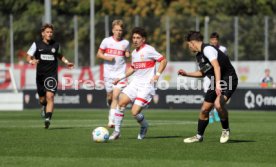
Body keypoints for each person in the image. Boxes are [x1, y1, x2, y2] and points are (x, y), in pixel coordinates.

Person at [178, 31, 238, 143]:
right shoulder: (199, 55)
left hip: (228, 79)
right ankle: (199, 136)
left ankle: (225, 129)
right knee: (204, 110)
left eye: (188, 45)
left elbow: (217, 66)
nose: (189, 47)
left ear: (192, 43)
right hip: (216, 81)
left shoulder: (208, 49)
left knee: (218, 104)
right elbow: (203, 73)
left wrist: (218, 84)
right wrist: (186, 74)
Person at [109, 27, 167, 140]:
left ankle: (144, 125)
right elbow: (133, 68)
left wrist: (157, 75)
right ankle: (116, 132)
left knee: (134, 112)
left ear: (143, 39)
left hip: (146, 86)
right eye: (134, 38)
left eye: (138, 38)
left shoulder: (149, 50)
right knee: (120, 103)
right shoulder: (134, 53)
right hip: (135, 83)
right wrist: (120, 78)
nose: (135, 40)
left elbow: (163, 60)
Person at [26, 23, 74, 129]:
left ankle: (48, 119)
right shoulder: (36, 44)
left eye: (51, 32)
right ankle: (43, 107)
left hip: (51, 76)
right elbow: (28, 57)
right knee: (43, 100)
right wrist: (32, 61)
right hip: (40, 76)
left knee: (50, 96)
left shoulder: (56, 45)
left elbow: (60, 55)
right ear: (43, 34)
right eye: (47, 32)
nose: (49, 34)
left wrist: (67, 62)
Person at [96, 19, 130, 128]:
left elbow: (127, 52)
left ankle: (111, 121)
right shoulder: (106, 41)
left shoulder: (126, 43)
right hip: (108, 74)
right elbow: (99, 54)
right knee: (110, 97)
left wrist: (128, 54)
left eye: (120, 30)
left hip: (120, 75)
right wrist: (107, 57)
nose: (119, 32)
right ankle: (109, 102)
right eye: (116, 30)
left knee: (116, 96)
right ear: (112, 30)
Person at [207, 32, 228, 124]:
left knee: (218, 95)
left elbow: (226, 61)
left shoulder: (223, 49)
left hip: (219, 76)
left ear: (218, 40)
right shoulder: (207, 49)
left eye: (216, 39)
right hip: (209, 76)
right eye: (212, 39)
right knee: (209, 97)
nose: (214, 41)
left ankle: (216, 112)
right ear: (210, 40)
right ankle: (210, 114)